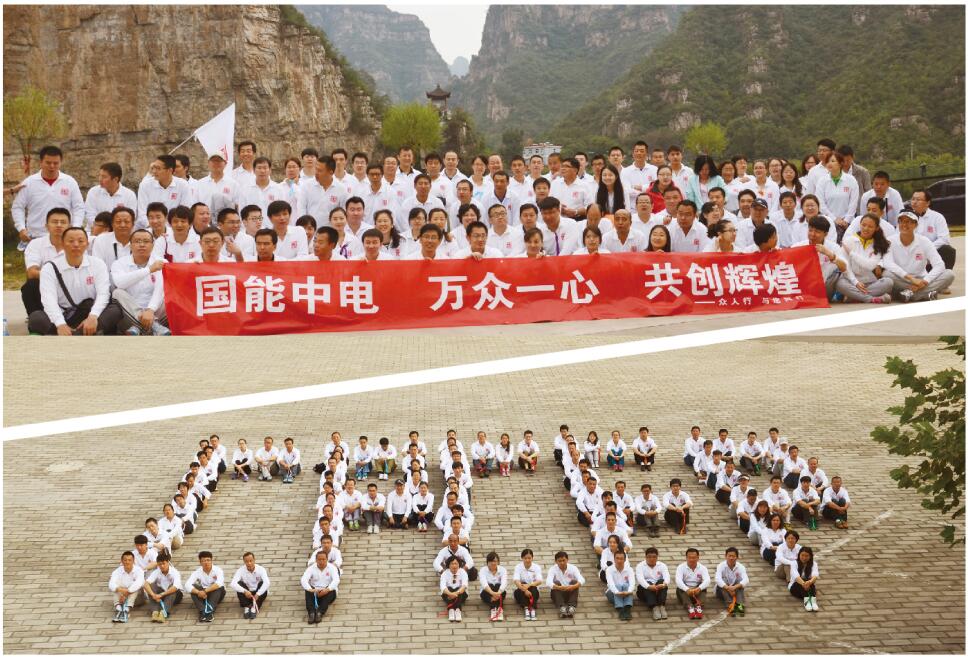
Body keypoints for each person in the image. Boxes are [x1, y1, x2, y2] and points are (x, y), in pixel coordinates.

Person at [28, 226, 122, 336]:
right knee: (36, 317)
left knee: (115, 310)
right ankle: (79, 334)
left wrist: (93, 316)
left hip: (89, 314)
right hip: (64, 315)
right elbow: (49, 299)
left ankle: (72, 335)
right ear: (62, 244)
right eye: (71, 241)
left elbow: (103, 294)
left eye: (81, 241)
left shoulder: (98, 264)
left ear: (87, 244)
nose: (76, 244)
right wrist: (60, 324)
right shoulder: (49, 268)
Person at [13, 145, 86, 243]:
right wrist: (21, 228)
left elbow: (79, 207)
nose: (52, 166)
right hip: (35, 237)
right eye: (48, 163)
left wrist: (75, 228)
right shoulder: (29, 182)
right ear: (41, 162)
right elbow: (18, 207)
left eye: (56, 163)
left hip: (64, 237)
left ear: (61, 162)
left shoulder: (70, 182)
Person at [881, 210, 955, 302]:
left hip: (921, 279)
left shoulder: (925, 241)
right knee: (886, 274)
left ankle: (911, 294)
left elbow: (939, 265)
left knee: (949, 274)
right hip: (901, 278)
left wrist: (925, 281)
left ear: (915, 225)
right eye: (901, 221)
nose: (904, 224)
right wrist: (910, 278)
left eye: (908, 222)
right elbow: (888, 263)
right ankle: (925, 294)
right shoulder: (889, 241)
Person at [111, 229, 169, 336]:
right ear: (130, 246)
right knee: (117, 292)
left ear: (152, 245)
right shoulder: (119, 263)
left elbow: (160, 289)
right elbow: (120, 283)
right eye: (137, 241)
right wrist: (149, 270)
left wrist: (150, 310)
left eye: (146, 241)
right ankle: (154, 326)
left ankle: (140, 327)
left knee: (169, 293)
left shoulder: (162, 262)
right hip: (130, 315)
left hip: (157, 312)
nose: (142, 245)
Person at [837, 213, 894, 303]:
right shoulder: (849, 240)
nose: (866, 228)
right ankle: (871, 299)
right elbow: (845, 266)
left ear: (876, 228)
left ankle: (854, 297)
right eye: (863, 225)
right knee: (840, 284)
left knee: (888, 282)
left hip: (869, 282)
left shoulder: (878, 244)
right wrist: (855, 282)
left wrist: (851, 254)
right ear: (860, 224)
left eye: (870, 226)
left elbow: (870, 266)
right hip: (851, 281)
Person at [184, 551, 226, 623]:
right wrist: (198, 592)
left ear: (211, 561)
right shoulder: (197, 572)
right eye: (203, 561)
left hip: (217, 593)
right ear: (200, 562)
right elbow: (187, 585)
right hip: (203, 594)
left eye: (208, 560)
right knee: (193, 588)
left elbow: (219, 583)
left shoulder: (218, 570)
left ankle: (209, 611)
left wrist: (205, 591)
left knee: (218, 587)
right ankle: (203, 611)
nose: (206, 562)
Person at [301, 550, 339, 624]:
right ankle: (311, 613)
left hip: (327, 591)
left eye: (323, 559)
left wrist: (327, 590)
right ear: (316, 560)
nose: (321, 561)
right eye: (319, 559)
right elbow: (303, 579)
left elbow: (336, 580)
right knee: (307, 590)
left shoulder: (332, 568)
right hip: (315, 592)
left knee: (332, 590)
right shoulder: (311, 568)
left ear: (327, 559)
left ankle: (319, 613)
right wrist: (310, 589)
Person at [144, 551, 182, 623]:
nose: (162, 566)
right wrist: (153, 595)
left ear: (168, 562)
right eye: (160, 564)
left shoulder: (175, 572)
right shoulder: (157, 571)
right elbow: (146, 584)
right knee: (151, 585)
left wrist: (161, 594)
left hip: (175, 595)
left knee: (172, 588)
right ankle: (155, 611)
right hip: (161, 595)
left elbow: (175, 587)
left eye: (163, 563)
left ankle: (163, 612)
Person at [229, 552, 270, 619]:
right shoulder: (240, 570)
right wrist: (244, 591)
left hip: (257, 593)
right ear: (244, 562)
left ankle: (254, 607)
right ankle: (247, 606)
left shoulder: (261, 569)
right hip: (247, 593)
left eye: (251, 561)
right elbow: (233, 583)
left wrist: (258, 594)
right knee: (239, 584)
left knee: (262, 584)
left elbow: (267, 583)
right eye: (246, 561)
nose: (249, 563)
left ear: (254, 560)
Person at [108, 551, 145, 623]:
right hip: (122, 599)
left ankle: (127, 609)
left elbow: (138, 583)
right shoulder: (117, 571)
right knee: (115, 586)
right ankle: (118, 608)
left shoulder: (139, 570)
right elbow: (111, 584)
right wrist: (120, 590)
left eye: (129, 560)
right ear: (122, 561)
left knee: (135, 587)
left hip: (138, 599)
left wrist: (125, 593)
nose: (127, 562)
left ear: (133, 561)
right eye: (125, 560)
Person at [675, 548, 710, 620]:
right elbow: (678, 580)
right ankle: (690, 608)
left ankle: (698, 607)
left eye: (694, 557)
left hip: (697, 590)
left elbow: (707, 580)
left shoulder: (703, 568)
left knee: (703, 587)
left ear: (698, 558)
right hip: (686, 591)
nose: (691, 560)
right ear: (686, 558)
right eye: (689, 557)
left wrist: (699, 588)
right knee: (680, 588)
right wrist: (687, 589)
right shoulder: (680, 567)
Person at [635, 546, 670, 620]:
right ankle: (654, 607)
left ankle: (661, 606)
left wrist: (663, 584)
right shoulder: (640, 566)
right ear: (645, 557)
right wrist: (649, 586)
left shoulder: (662, 565)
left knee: (662, 582)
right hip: (645, 591)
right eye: (649, 557)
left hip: (658, 589)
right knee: (647, 583)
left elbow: (667, 577)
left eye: (654, 557)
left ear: (657, 557)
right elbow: (640, 579)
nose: (652, 559)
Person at [714, 547, 749, 617]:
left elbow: (746, 580)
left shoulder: (741, 567)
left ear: (737, 557)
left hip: (734, 590)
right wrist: (728, 588)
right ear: (725, 556)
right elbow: (717, 579)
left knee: (740, 581)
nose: (731, 558)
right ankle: (730, 604)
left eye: (733, 556)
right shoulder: (720, 566)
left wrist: (734, 587)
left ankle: (739, 605)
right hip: (721, 592)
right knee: (723, 580)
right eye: (729, 556)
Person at [604, 549, 636, 621]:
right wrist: (617, 592)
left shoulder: (629, 569)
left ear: (625, 560)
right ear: (614, 559)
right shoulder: (609, 569)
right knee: (618, 586)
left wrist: (628, 591)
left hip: (626, 593)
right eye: (617, 558)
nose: (619, 561)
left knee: (626, 585)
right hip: (612, 594)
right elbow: (611, 584)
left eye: (621, 559)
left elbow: (632, 583)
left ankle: (627, 609)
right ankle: (620, 609)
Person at [512, 549, 543, 621]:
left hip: (533, 593)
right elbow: (516, 580)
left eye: (529, 558)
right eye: (525, 558)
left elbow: (539, 581)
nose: (527, 560)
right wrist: (525, 590)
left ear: (532, 558)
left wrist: (529, 585)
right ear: (522, 558)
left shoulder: (536, 567)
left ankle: (532, 609)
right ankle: (526, 609)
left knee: (533, 588)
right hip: (521, 592)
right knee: (521, 586)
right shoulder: (518, 567)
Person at [789, 547, 820, 611]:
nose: (804, 558)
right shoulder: (794, 563)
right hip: (795, 586)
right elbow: (796, 576)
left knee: (810, 584)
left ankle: (813, 602)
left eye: (807, 556)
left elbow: (815, 575)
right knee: (801, 584)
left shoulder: (814, 564)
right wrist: (804, 584)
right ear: (799, 555)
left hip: (808, 585)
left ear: (810, 556)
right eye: (802, 555)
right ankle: (808, 602)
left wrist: (809, 582)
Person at [479, 552, 508, 622]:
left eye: (495, 561)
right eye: (491, 561)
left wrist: (498, 592)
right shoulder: (483, 570)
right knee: (491, 585)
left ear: (498, 562)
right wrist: (492, 593)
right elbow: (484, 583)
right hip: (487, 593)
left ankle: (499, 610)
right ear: (487, 562)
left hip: (499, 592)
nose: (493, 563)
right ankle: (494, 609)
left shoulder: (503, 569)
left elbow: (504, 582)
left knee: (497, 585)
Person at [440, 556, 470, 623]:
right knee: (449, 588)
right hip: (448, 594)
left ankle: (457, 610)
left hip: (461, 594)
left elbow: (464, 585)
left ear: (459, 564)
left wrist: (456, 593)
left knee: (458, 588)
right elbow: (443, 586)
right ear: (448, 565)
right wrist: (450, 594)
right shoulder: (445, 573)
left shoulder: (463, 572)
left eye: (456, 563)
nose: (454, 566)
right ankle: (451, 610)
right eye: (452, 564)